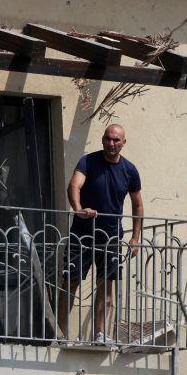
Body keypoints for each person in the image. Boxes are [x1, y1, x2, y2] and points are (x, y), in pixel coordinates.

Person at [57, 124, 143, 344]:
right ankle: (60, 333)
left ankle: (100, 334)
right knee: (71, 281)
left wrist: (135, 238)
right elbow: (74, 186)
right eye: (108, 139)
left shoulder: (130, 170)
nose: (111, 143)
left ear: (124, 143)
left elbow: (137, 205)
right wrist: (78, 209)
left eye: (116, 140)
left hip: (111, 236)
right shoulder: (88, 161)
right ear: (103, 139)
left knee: (106, 285)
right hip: (82, 234)